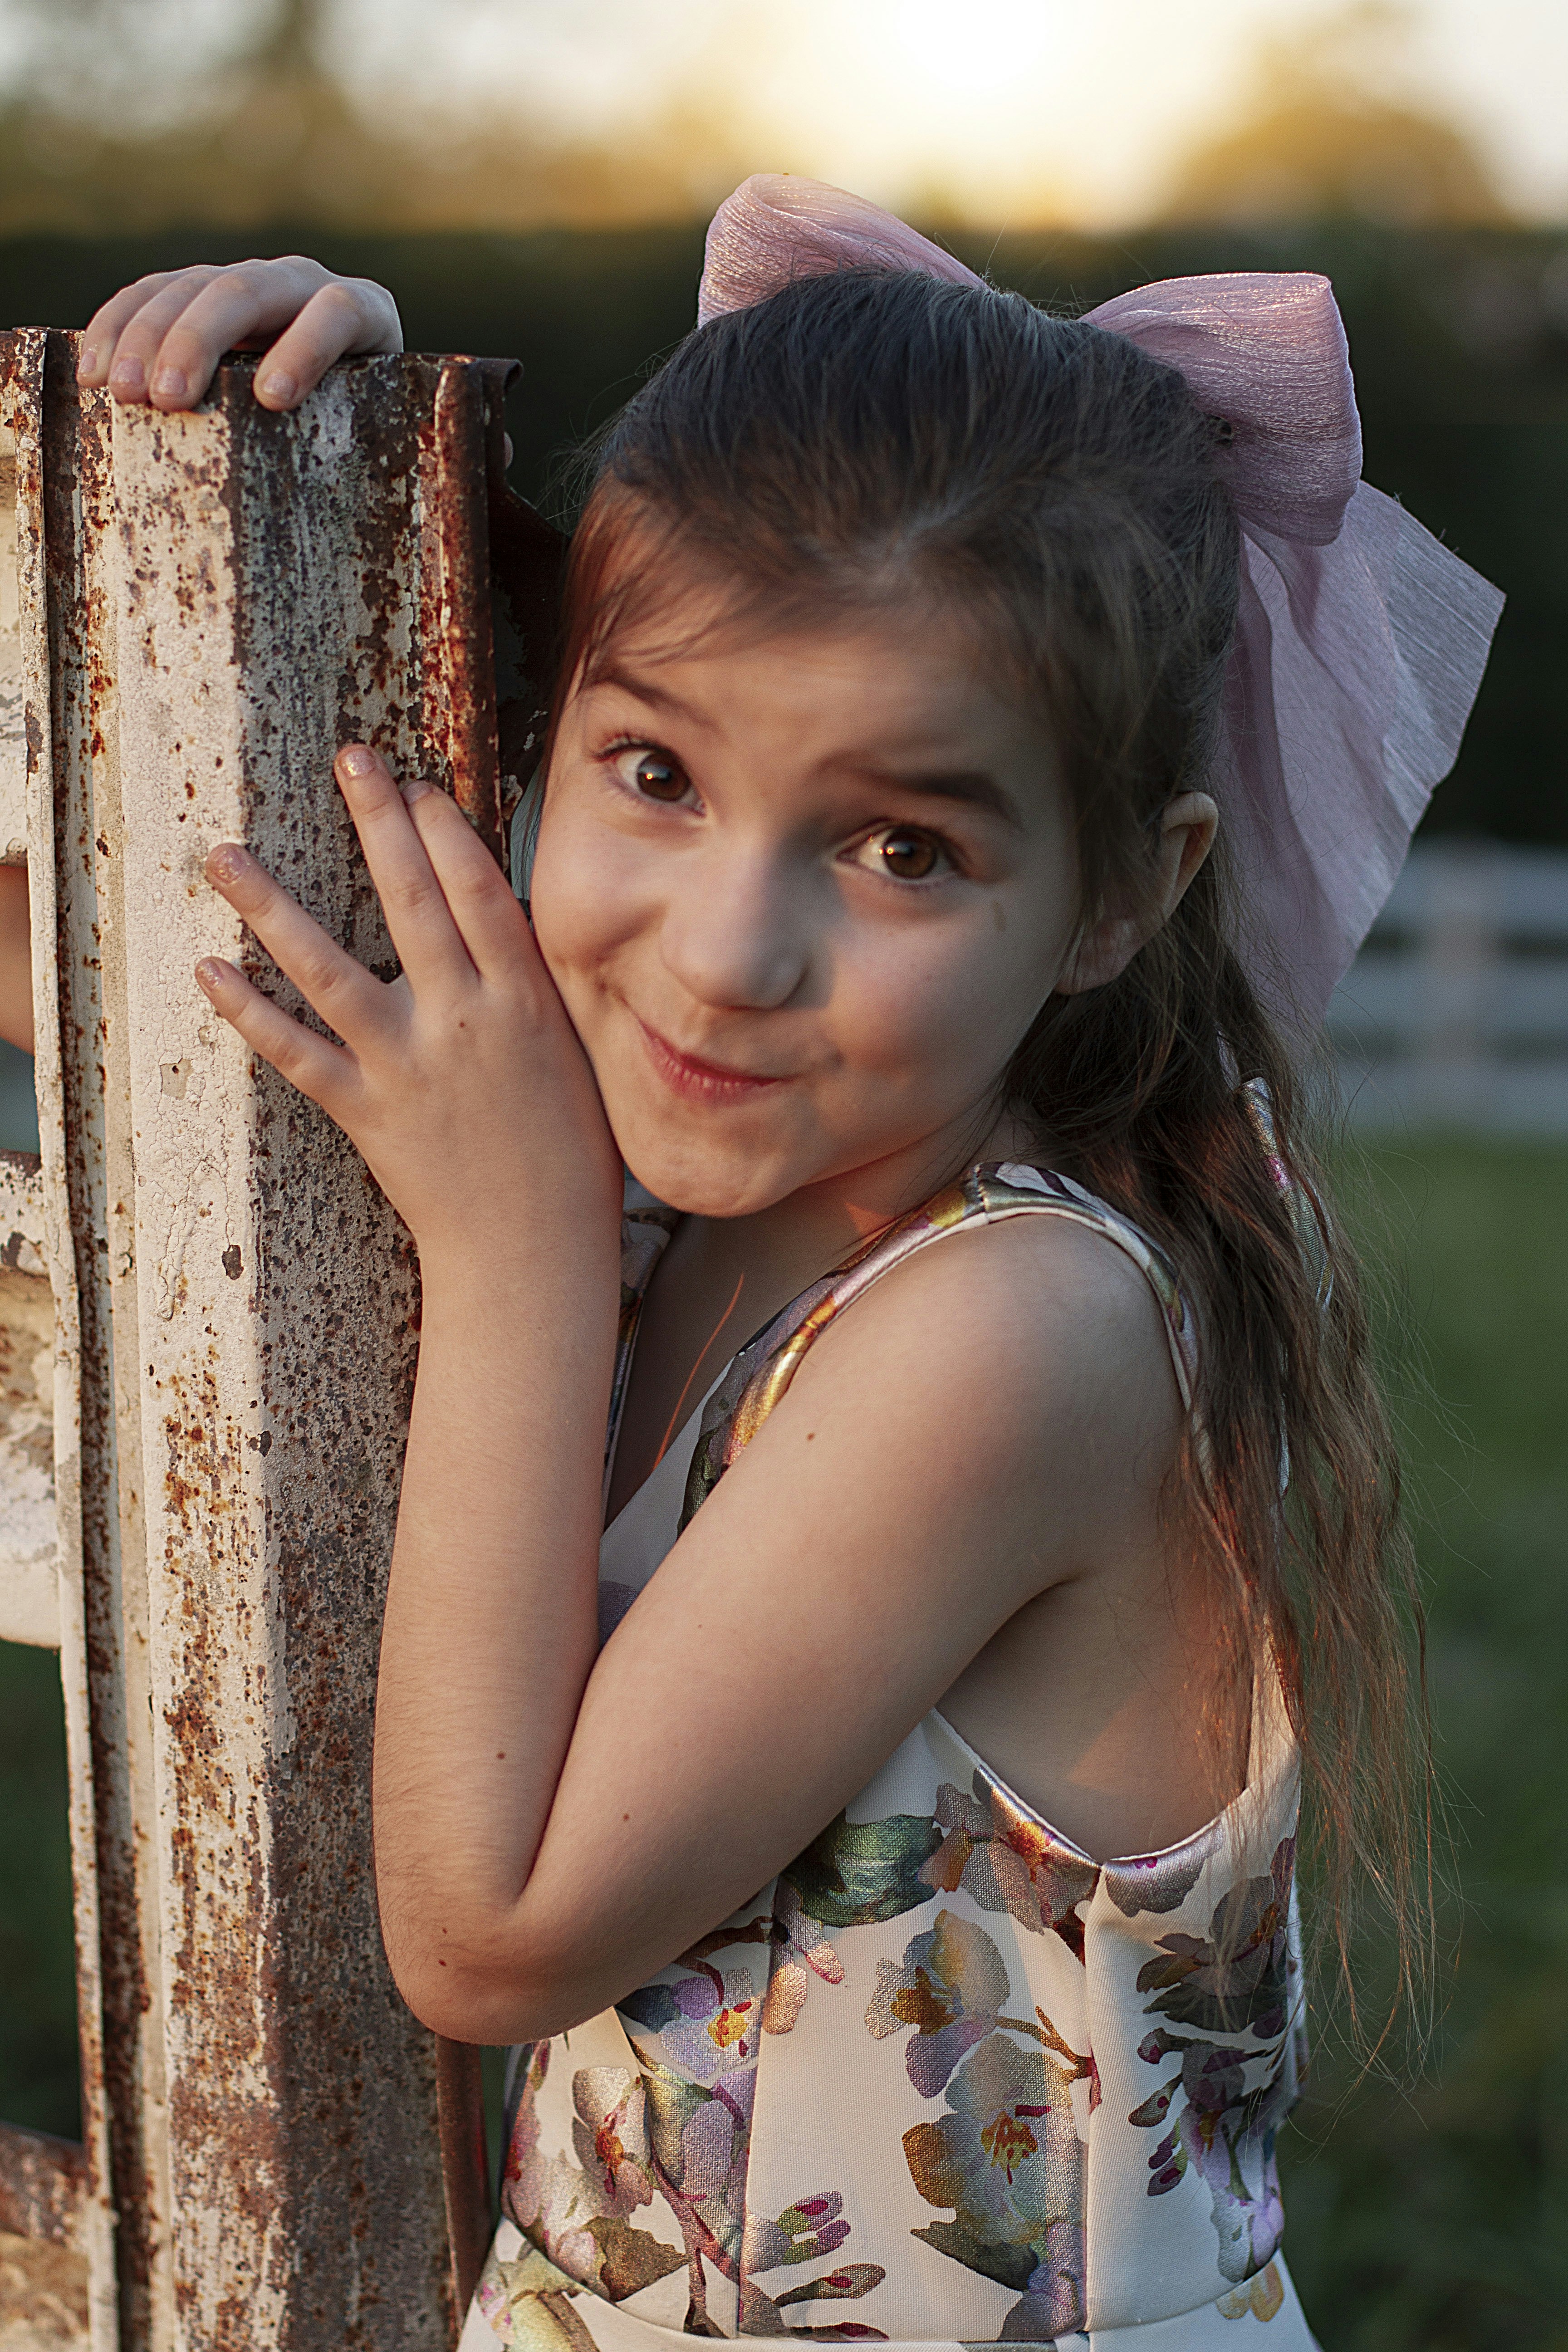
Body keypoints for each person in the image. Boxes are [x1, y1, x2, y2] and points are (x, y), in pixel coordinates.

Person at [77, 178, 1500, 2351]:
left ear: (1122, 894)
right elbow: (117, 944)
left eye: (902, 846)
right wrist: (306, 474)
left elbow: (495, 1934)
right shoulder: (729, 1161)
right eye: (653, 771)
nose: (730, 952)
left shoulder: (1019, 1328)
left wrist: (528, 1245)